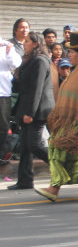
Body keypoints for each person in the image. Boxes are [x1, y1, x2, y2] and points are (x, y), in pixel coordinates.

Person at [34, 31, 78, 202]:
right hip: (68, 121)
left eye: (71, 52)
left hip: (77, 122)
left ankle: (54, 188)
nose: (68, 55)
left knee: (59, 151)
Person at [8, 32, 54, 190]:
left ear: (35, 44)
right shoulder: (28, 60)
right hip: (26, 107)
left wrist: (30, 113)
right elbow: (21, 85)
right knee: (26, 147)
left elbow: (37, 89)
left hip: (37, 110)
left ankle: (61, 167)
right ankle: (25, 181)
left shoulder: (40, 61)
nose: (24, 43)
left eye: (27, 41)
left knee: (34, 145)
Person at [0, 38, 22, 166]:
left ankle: (2, 155)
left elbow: (16, 63)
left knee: (3, 126)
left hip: (3, 93)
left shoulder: (6, 46)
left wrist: (8, 51)